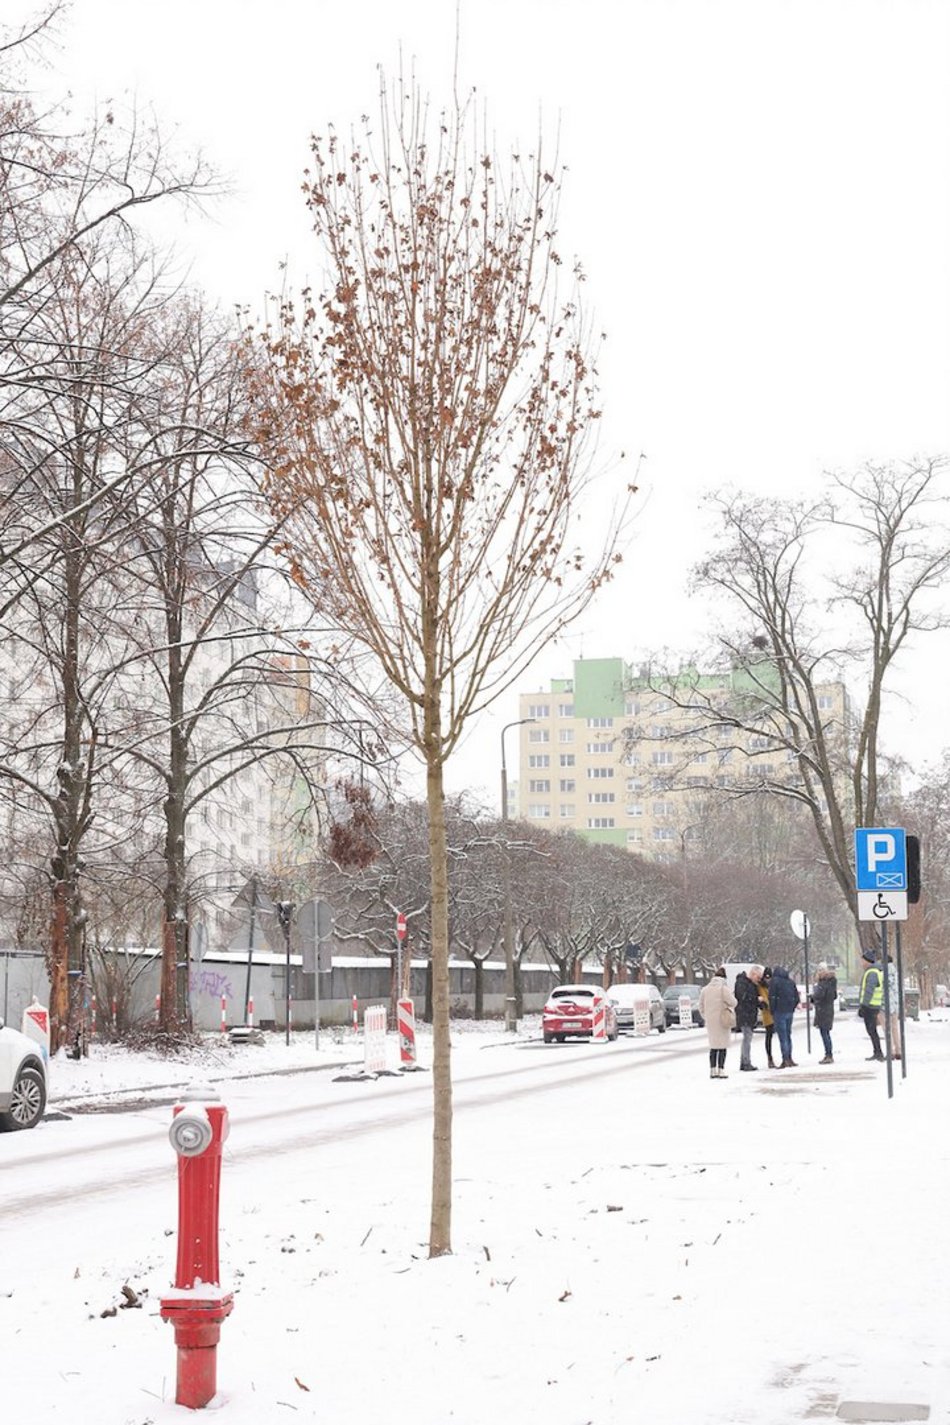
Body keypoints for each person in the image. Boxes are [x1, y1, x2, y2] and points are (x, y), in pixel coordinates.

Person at [699, 968, 737, 1079]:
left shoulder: (705, 989)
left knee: (713, 1046)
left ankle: (712, 1070)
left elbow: (700, 1006)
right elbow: (733, 1002)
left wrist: (706, 1016)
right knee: (722, 1046)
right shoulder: (724, 989)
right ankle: (721, 1069)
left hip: (710, 1021)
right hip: (722, 1020)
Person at [768, 965, 800, 1067]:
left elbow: (772, 997)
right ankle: (789, 1058)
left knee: (782, 1037)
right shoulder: (790, 982)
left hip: (779, 1011)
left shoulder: (774, 982)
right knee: (788, 1035)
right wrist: (792, 1007)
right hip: (789, 1011)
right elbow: (797, 997)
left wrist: (772, 1010)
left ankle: (785, 1059)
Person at [733, 964, 763, 1071]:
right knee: (747, 1039)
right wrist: (756, 999)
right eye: (758, 977)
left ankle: (744, 1061)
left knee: (747, 1039)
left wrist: (761, 1004)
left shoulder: (752, 985)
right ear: (753, 974)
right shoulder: (742, 983)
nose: (759, 980)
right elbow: (743, 997)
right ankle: (746, 1062)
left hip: (749, 1015)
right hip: (744, 1014)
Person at [858, 949, 884, 1061]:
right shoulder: (874, 971)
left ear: (867, 961)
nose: (861, 963)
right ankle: (877, 1051)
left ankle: (878, 1052)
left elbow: (869, 990)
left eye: (863, 960)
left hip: (870, 1006)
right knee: (872, 1030)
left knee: (871, 1030)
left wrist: (864, 1005)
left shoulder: (872, 973)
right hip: (873, 1005)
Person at [812, 962, 837, 1064]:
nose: (818, 973)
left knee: (824, 1033)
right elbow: (834, 996)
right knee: (826, 1033)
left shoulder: (823, 983)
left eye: (819, 971)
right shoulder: (831, 983)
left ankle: (828, 1054)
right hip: (828, 1010)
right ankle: (828, 1054)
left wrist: (813, 996)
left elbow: (820, 995)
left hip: (823, 1011)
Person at [757, 968, 777, 1067]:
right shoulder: (760, 986)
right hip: (767, 1014)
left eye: (769, 978)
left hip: (775, 1013)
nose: (767, 980)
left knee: (773, 1036)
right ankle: (770, 1058)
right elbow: (763, 998)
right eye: (766, 978)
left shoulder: (774, 985)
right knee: (769, 1036)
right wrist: (769, 1005)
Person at [885, 954, 902, 1060]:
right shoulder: (896, 972)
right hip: (895, 1003)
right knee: (895, 1028)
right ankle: (898, 1050)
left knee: (887, 1028)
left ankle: (890, 1051)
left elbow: (884, 986)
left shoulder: (884, 972)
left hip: (886, 1004)